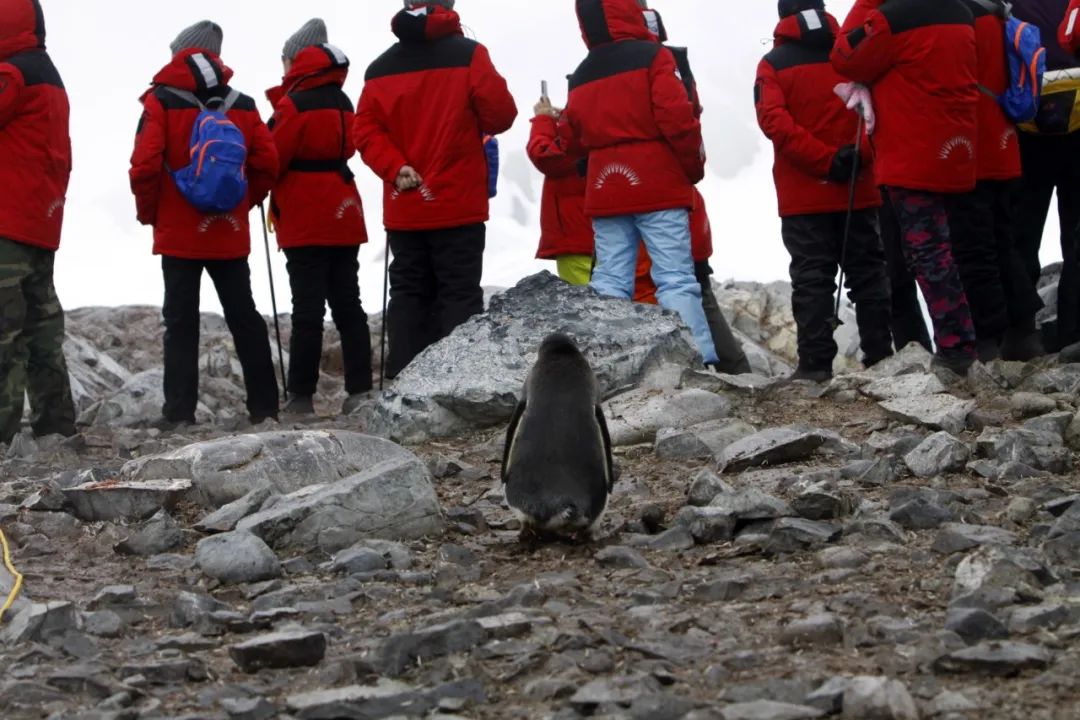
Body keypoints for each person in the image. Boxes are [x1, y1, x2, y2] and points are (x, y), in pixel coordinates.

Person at [354, 0, 518, 380]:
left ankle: (405, 386)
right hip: (457, 200)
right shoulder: (469, 55)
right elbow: (501, 115)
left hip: (405, 203)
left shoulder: (379, 68)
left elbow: (364, 131)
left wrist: (396, 167)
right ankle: (461, 384)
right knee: (459, 292)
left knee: (409, 292)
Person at [130, 21, 280, 429]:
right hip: (228, 231)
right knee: (244, 317)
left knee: (180, 322)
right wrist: (243, 204)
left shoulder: (158, 101)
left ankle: (179, 414)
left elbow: (144, 165)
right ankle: (265, 409)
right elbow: (268, 164)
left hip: (178, 231)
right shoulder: (244, 105)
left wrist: (151, 213)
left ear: (179, 53)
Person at [563, 0, 719, 367]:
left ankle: (608, 364)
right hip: (657, 182)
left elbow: (570, 138)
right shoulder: (654, 57)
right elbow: (677, 118)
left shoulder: (583, 71)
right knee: (675, 278)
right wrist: (691, 168)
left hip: (605, 185)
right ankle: (696, 360)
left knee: (610, 278)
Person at [833, 0, 980, 375]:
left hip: (911, 153)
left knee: (928, 252)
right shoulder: (961, 12)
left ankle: (956, 350)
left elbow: (844, 57)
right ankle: (980, 341)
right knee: (964, 246)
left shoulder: (890, 19)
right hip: (958, 144)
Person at [756, 0, 893, 382]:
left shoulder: (773, 64)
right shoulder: (850, 53)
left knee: (812, 278)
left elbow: (773, 122)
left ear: (783, 16)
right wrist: (859, 157)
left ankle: (815, 366)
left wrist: (823, 160)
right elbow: (880, 110)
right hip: (859, 186)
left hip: (803, 195)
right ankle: (882, 356)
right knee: (868, 274)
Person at [267, 20, 373, 417]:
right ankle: (360, 389)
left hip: (305, 214)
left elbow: (273, 156)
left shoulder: (294, 105)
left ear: (296, 60)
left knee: (307, 309)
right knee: (349, 303)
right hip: (344, 210)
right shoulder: (343, 100)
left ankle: (300, 397)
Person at [946, 0, 1045, 362]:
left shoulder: (963, 18)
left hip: (972, 147)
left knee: (974, 247)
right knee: (1003, 240)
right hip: (1004, 142)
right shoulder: (1000, 15)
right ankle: (1023, 330)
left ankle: (988, 340)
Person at [0, 0, 76, 445]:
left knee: (5, 330)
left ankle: (3, 433)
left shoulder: (11, 75)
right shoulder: (48, 73)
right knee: (42, 327)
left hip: (7, 221)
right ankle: (56, 425)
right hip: (40, 221)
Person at [1012, 0, 1080, 361]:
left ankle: (1021, 332)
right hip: (1078, 124)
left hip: (1027, 127)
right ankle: (1073, 332)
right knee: (1075, 233)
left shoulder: (1006, 6)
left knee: (1021, 232)